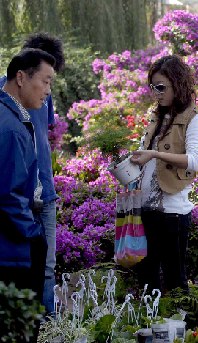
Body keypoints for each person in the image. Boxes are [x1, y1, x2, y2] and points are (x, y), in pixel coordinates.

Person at [131, 55, 198, 293]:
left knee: (175, 280)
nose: (157, 92)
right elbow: (149, 158)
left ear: (178, 84)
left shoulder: (195, 118)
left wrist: (154, 154)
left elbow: (194, 161)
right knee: (146, 278)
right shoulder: (158, 116)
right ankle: (149, 327)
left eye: (162, 87)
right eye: (153, 87)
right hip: (145, 207)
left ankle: (183, 328)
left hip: (172, 210)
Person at [0, 33, 65, 316]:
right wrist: (33, 234)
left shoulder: (31, 104)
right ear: (22, 76)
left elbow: (44, 135)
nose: (48, 89)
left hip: (44, 191)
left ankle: (47, 324)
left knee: (46, 269)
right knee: (32, 266)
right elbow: (7, 192)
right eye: (46, 80)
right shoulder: (9, 121)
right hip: (23, 207)